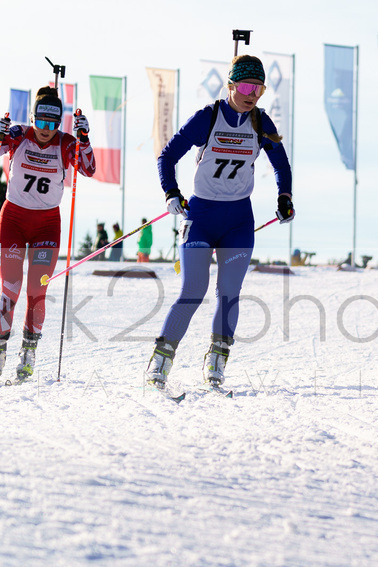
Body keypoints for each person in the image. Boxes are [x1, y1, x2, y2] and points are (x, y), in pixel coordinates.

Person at [145, 55, 294, 391]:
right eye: (244, 86)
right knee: (193, 290)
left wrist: (285, 196)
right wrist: (171, 192)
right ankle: (161, 361)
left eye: (258, 87)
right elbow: (167, 156)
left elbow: (281, 165)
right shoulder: (208, 117)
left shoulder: (261, 122)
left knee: (229, 294)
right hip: (201, 216)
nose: (251, 93)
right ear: (230, 85)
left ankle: (216, 363)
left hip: (238, 220)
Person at [0, 86, 95, 384]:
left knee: (36, 290)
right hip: (14, 220)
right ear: (33, 118)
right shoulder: (18, 134)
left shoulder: (66, 143)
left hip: (46, 225)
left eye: (52, 124)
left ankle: (28, 351)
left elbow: (89, 169)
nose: (45, 130)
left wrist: (84, 140)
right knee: (11, 287)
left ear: (59, 123)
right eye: (40, 122)